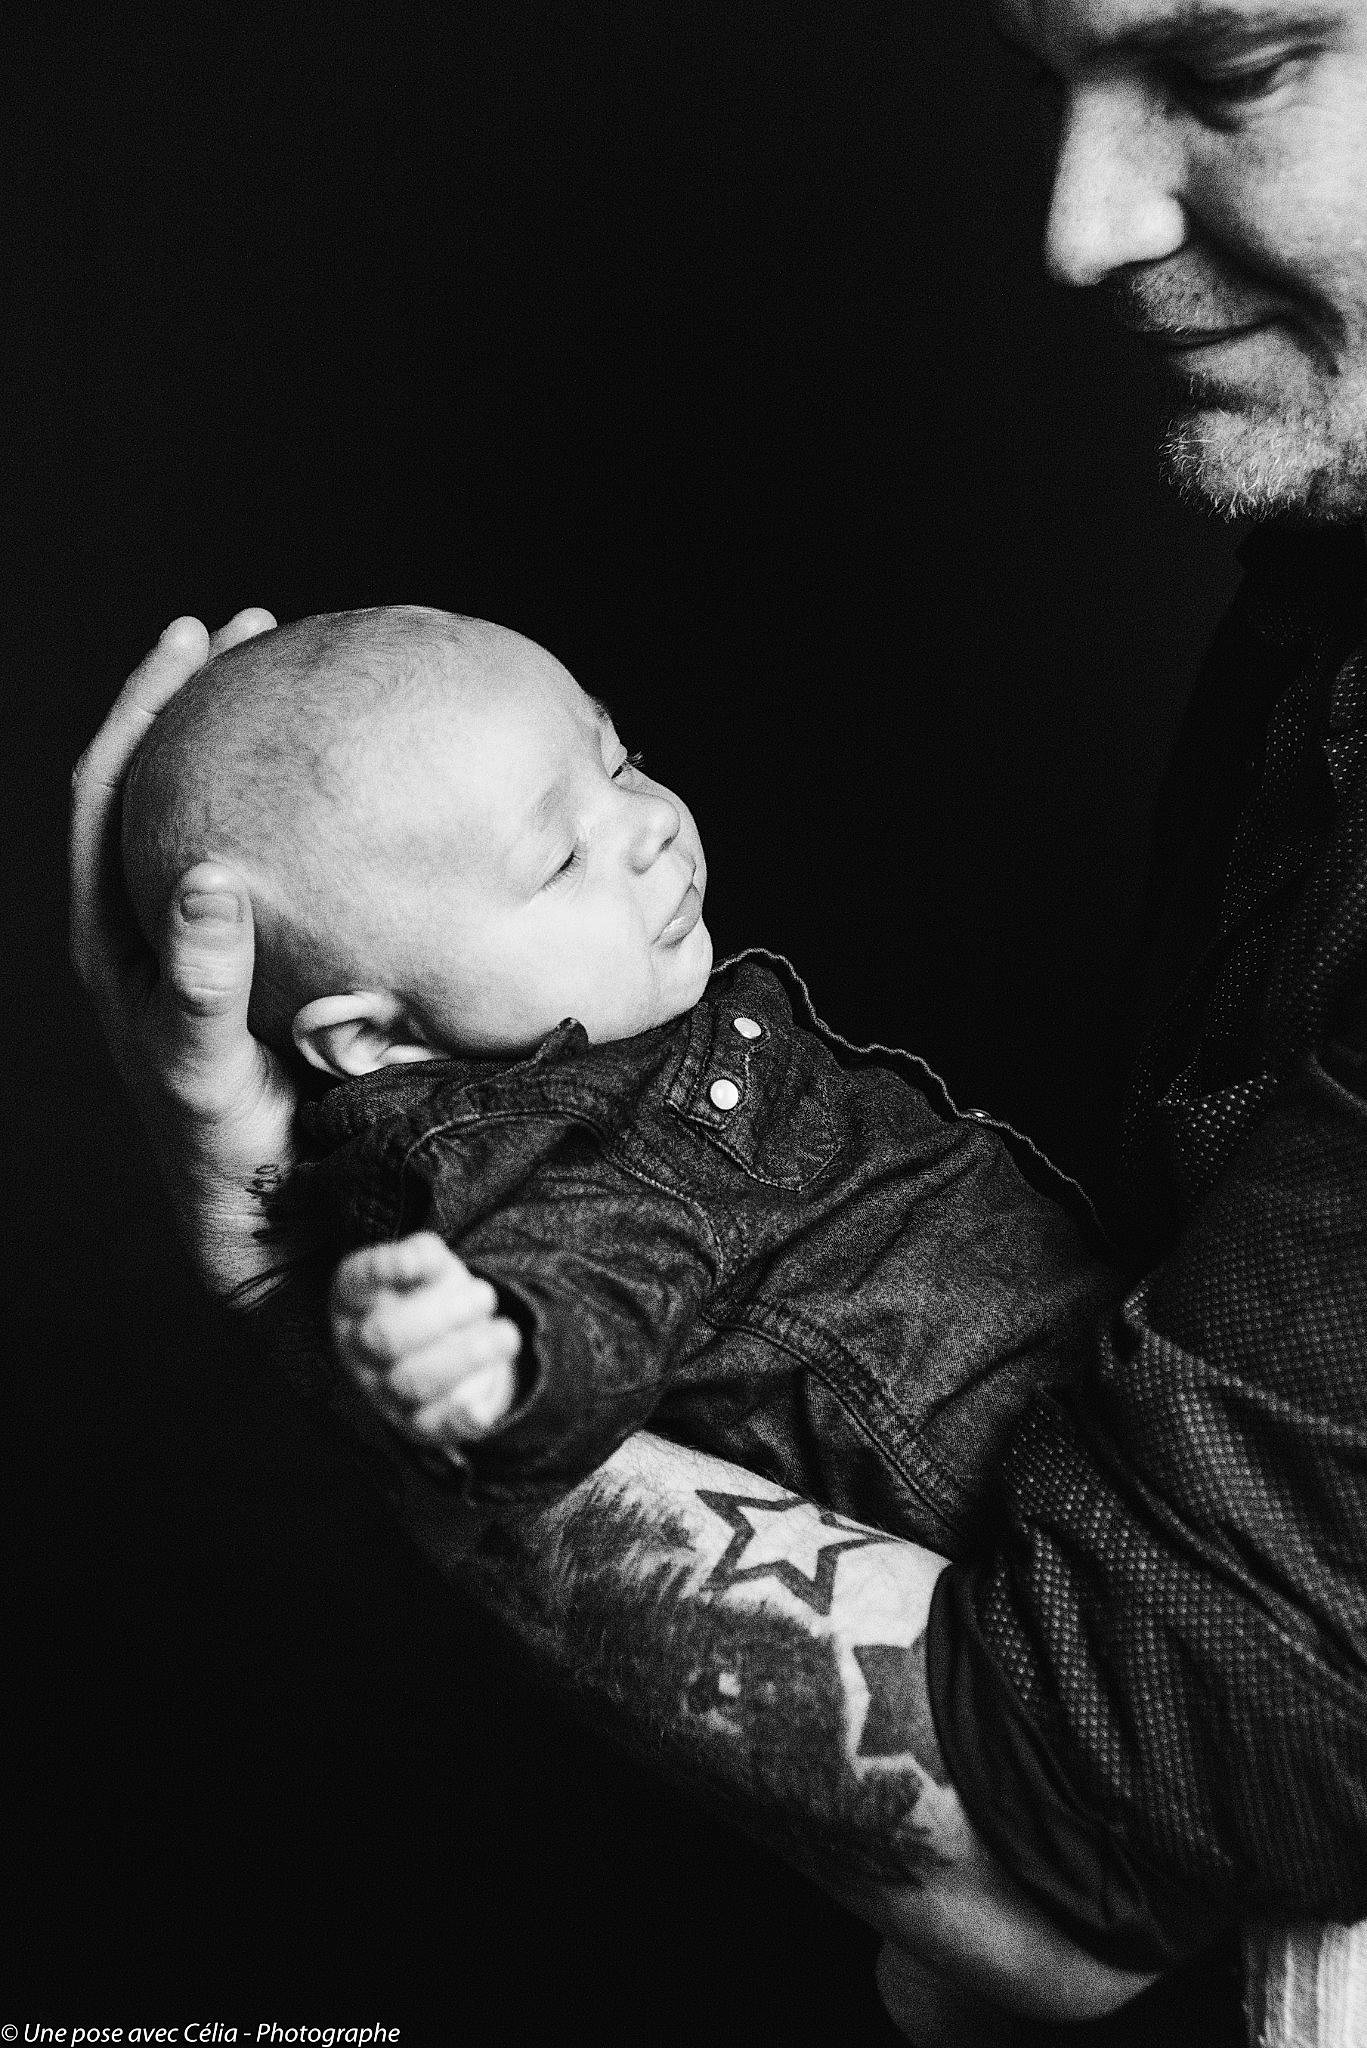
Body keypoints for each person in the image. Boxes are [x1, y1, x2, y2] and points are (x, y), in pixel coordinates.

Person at [67, 0, 1367, 2038]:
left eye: (1227, 73)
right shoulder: (1313, 610)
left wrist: (291, 1308)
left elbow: (1116, 1822)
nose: (1072, 223)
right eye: (1049, 89)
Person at [120, 602, 1114, 1533]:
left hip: (1110, 1375)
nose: (649, 824)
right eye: (558, 858)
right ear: (375, 1041)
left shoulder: (615, 1048)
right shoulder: (541, 1145)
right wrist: (497, 1360)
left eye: (620, 758)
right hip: (1057, 1494)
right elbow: (575, 1274)